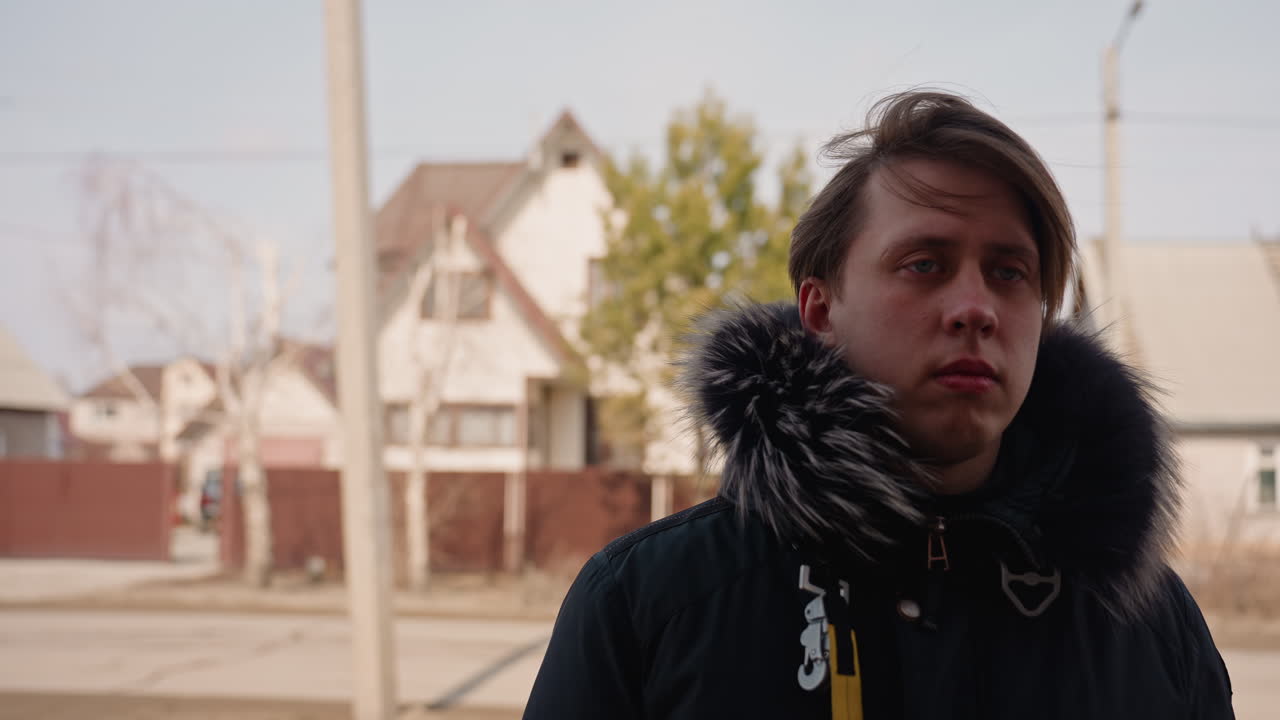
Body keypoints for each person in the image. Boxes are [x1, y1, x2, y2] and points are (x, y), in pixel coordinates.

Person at [523, 90, 1234, 719]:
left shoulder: (1150, 627)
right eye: (924, 264)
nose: (975, 308)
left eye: (1009, 272)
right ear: (820, 310)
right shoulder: (651, 605)